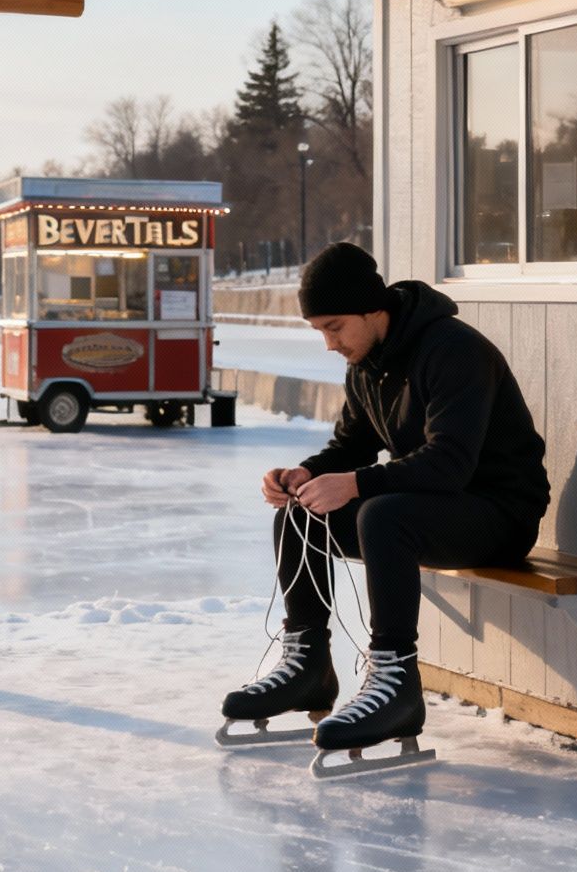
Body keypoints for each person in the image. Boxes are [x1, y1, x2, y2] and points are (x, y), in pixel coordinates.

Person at [220, 242, 549, 763]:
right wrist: (304, 475)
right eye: (320, 331)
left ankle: (395, 683)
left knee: (383, 513)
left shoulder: (454, 350)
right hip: (432, 510)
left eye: (335, 327)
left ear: (374, 310)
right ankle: (308, 666)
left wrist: (352, 484)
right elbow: (348, 448)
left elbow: (449, 463)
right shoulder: (367, 364)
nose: (330, 344)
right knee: (299, 513)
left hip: (498, 515)